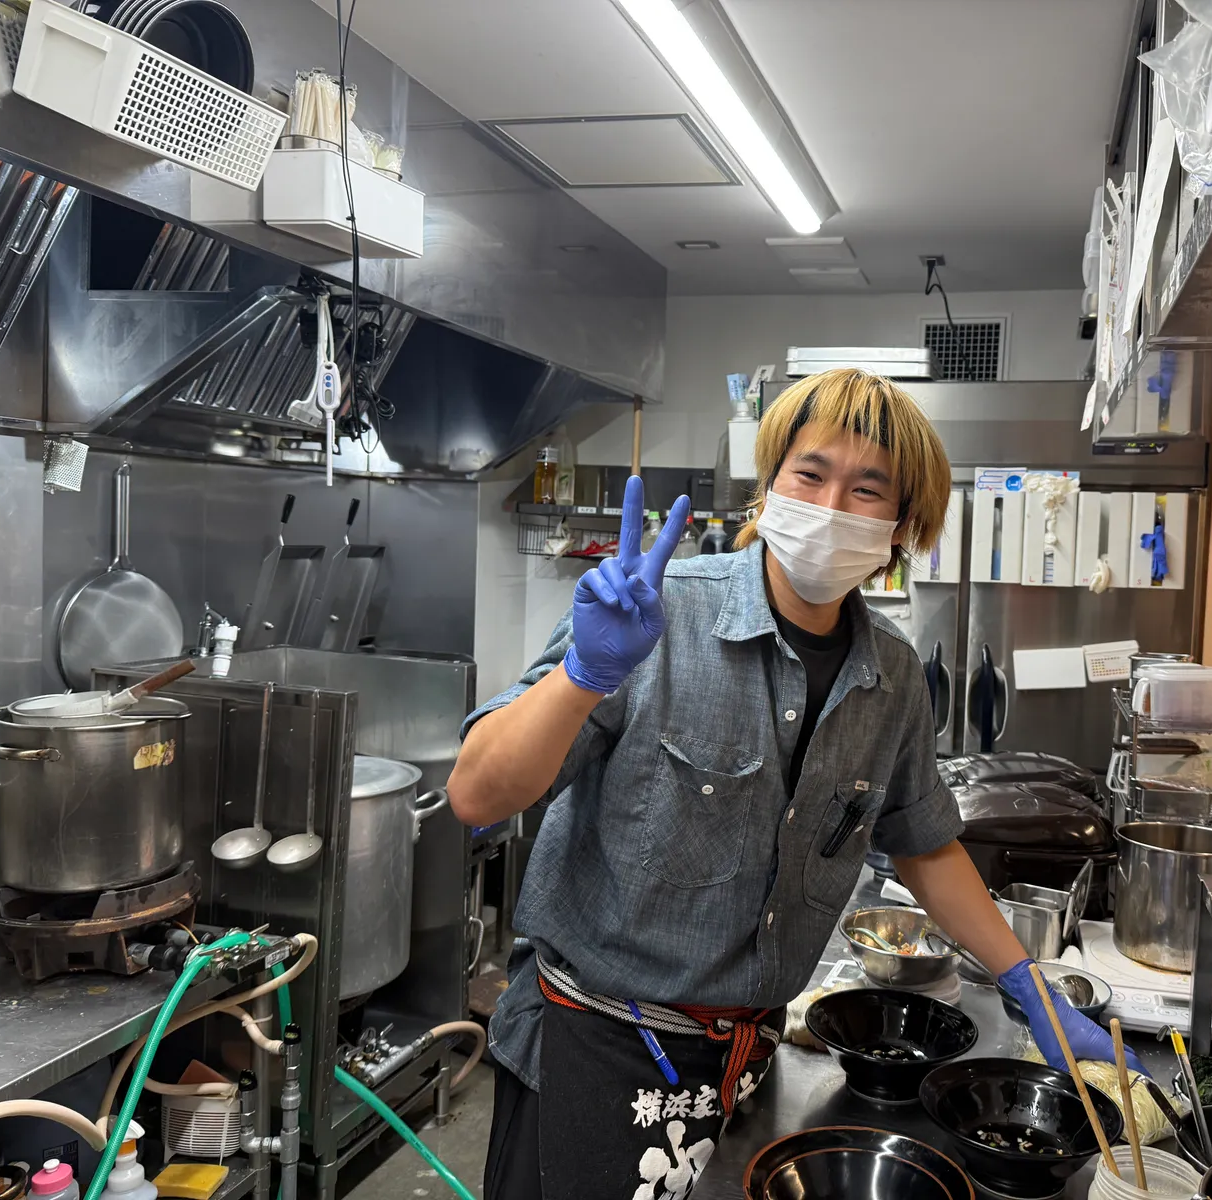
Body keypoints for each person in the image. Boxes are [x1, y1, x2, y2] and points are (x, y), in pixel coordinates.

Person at [449, 368, 1138, 1199]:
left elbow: (924, 844)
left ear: (903, 525)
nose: (832, 505)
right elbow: (477, 797)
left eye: (868, 489)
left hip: (744, 1058)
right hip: (594, 1048)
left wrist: (1026, 983)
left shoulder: (891, 676)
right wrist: (586, 674)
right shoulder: (656, 615)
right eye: (809, 475)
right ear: (768, 487)